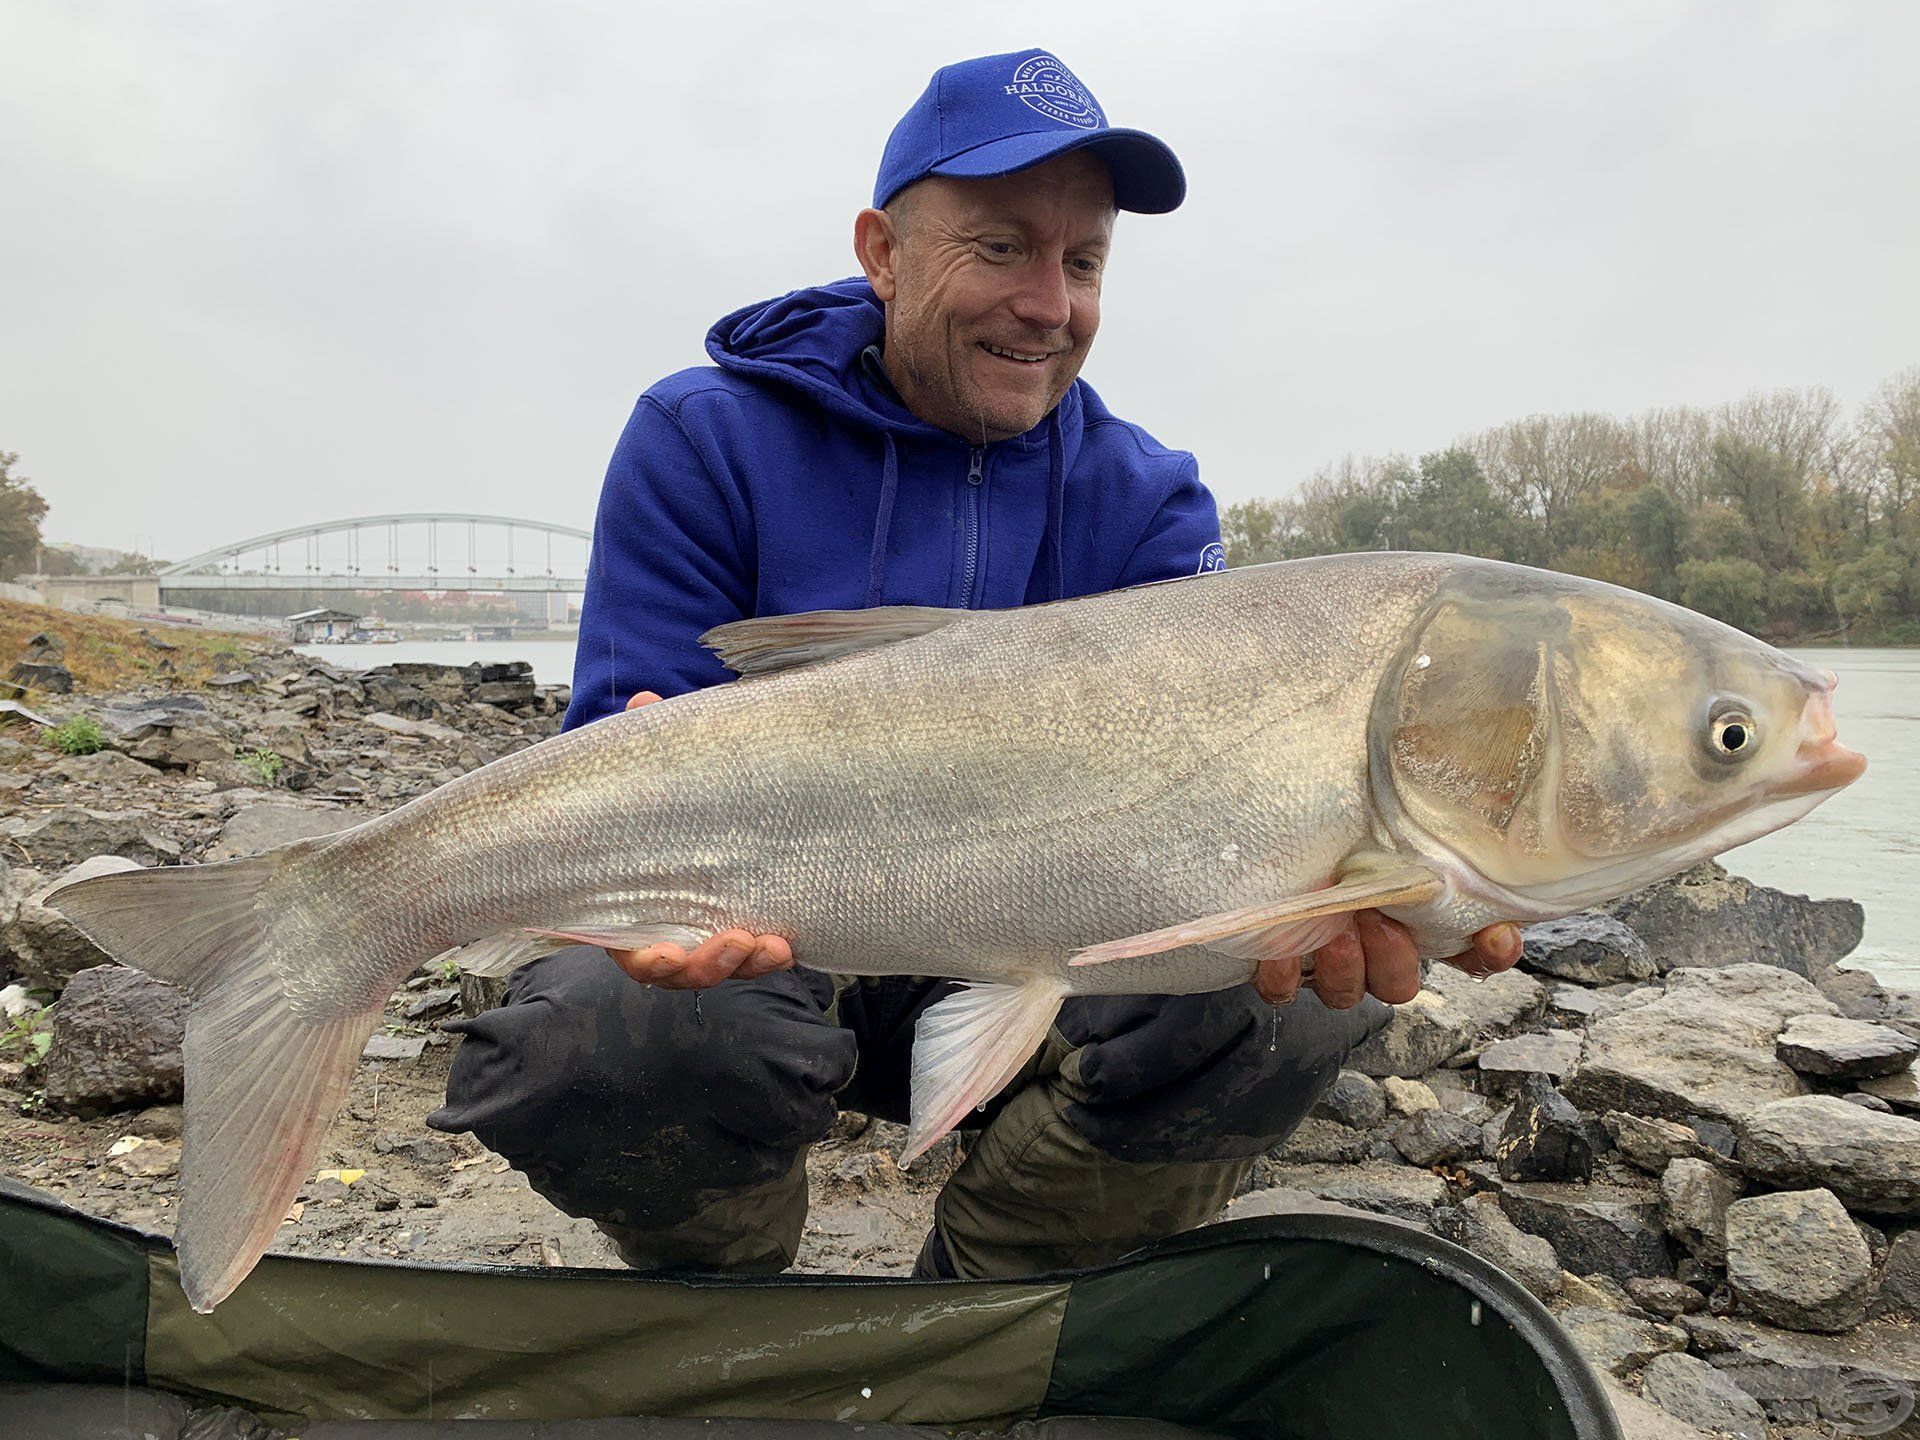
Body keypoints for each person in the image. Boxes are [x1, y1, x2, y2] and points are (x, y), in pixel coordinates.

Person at [429, 48, 1520, 1280]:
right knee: (614, 1031)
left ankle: (989, 1316)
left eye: (1084, 261)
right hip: (779, 954)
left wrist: (1361, 878)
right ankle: (721, 1300)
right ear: (883, 252)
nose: (1050, 304)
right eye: (1001, 247)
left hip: (1054, 944)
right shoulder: (705, 437)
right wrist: (631, 913)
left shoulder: (1148, 500)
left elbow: (1240, 798)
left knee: (1285, 1007)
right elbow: (616, 750)